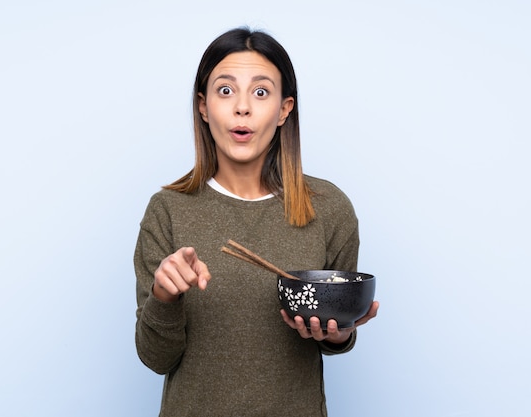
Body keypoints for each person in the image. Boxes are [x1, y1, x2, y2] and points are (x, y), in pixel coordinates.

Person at [134, 26, 379, 417]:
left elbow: (334, 330)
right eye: (226, 90)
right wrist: (164, 297)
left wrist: (340, 332)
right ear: (203, 106)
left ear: (284, 109)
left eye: (261, 92)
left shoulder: (329, 208)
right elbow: (156, 359)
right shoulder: (168, 210)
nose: (242, 107)